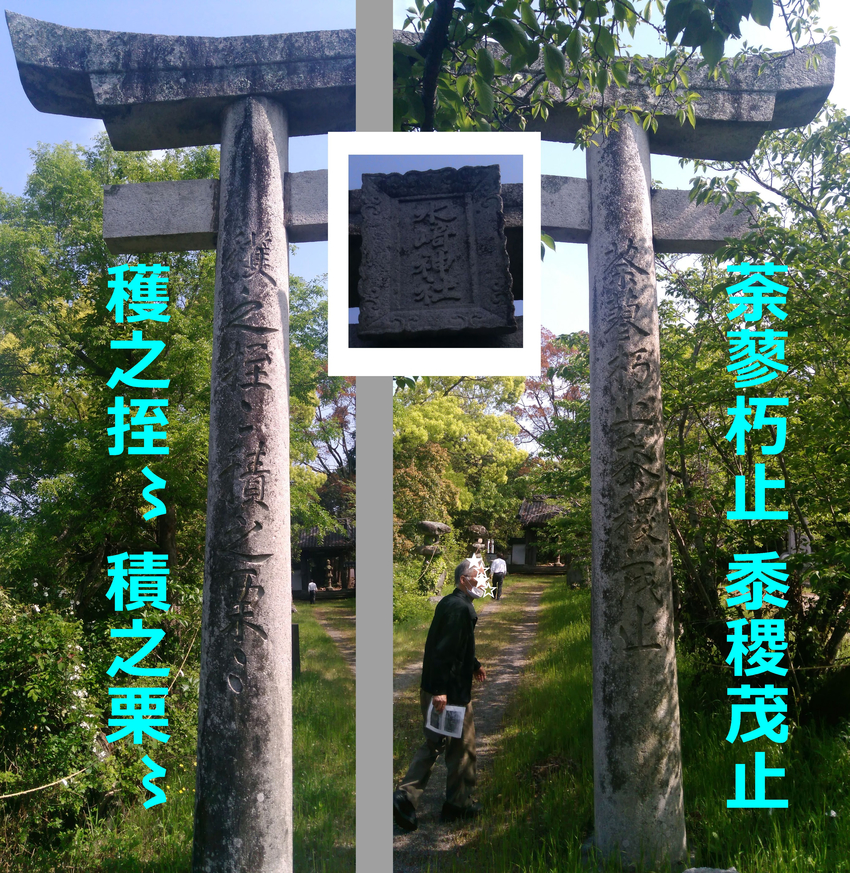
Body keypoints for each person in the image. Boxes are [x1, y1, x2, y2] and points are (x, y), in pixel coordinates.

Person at [393, 558, 487, 832]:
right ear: (462, 580)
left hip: (447, 690)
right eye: (477, 576)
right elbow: (441, 651)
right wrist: (439, 691)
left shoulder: (454, 604)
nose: (482, 581)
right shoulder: (458, 608)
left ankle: (406, 797)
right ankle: (457, 805)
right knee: (463, 747)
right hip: (450, 694)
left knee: (436, 743)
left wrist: (474, 664)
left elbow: (458, 646)